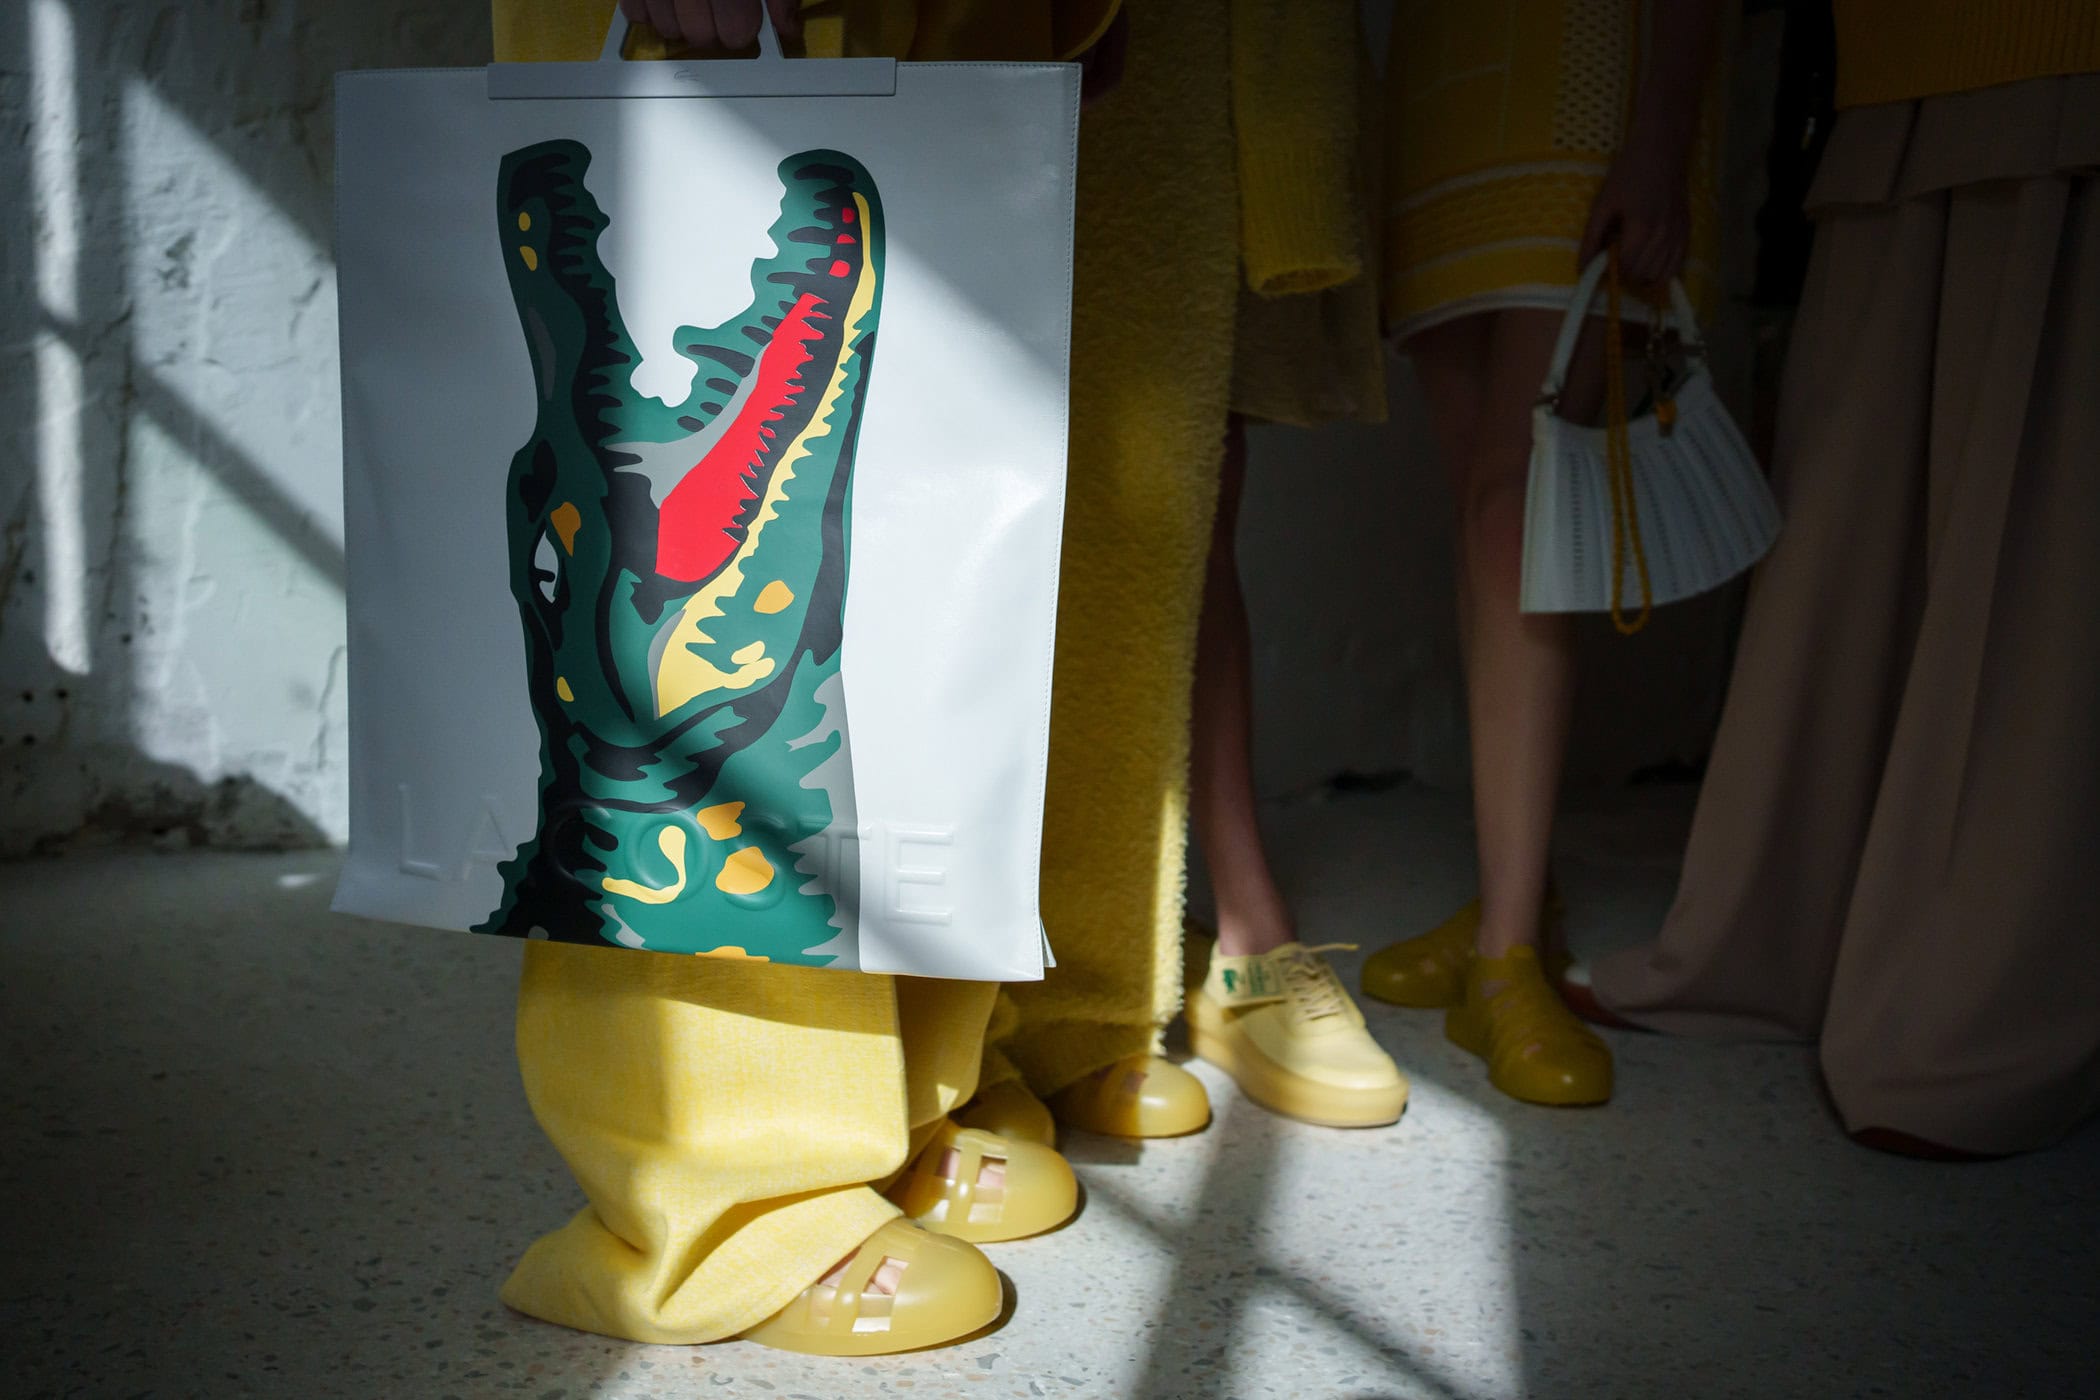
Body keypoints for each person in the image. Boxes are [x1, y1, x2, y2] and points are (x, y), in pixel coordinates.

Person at [1576, 3, 2100, 1160]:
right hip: (1884, 78)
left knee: (2033, 556)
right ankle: (1778, 941)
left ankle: (1975, 1006)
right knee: (1838, 549)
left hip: (2066, 62)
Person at [1356, 0, 1729, 1108]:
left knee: (1519, 507)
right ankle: (1515, 902)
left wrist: (1660, 130)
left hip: (1589, 75)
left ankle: (1506, 957)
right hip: (1444, 83)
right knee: (1482, 504)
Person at [1175, 4, 1412, 1131]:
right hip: (986, 63)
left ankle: (1248, 936)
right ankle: (1027, 957)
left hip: (1189, 62)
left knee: (1191, 479)